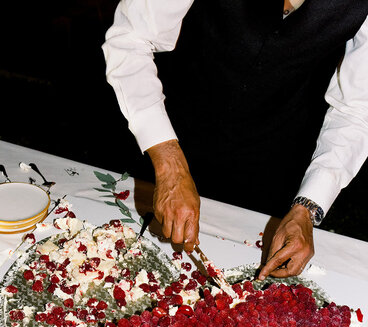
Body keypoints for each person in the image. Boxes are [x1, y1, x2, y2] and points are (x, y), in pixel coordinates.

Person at [103, 0, 368, 279]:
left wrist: (308, 207)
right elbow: (130, 39)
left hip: (273, 163)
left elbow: (358, 109)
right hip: (160, 134)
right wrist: (167, 160)